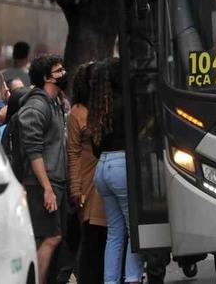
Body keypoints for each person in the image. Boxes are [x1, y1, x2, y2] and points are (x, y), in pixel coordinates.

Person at [90, 58, 143, 284]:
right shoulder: (128, 103)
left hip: (102, 166)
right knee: (135, 231)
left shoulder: (99, 106)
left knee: (114, 232)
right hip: (122, 165)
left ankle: (110, 281)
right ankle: (132, 277)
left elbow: (94, 146)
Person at [18, 55, 70, 284]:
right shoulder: (37, 106)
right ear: (46, 78)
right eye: (58, 71)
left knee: (50, 238)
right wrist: (47, 188)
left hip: (53, 183)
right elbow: (33, 150)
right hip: (42, 185)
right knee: (50, 237)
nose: (63, 74)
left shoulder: (54, 103)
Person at [67, 62, 106, 284]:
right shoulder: (77, 112)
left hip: (104, 179)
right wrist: (76, 189)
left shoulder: (104, 106)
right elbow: (72, 153)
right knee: (92, 238)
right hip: (88, 184)